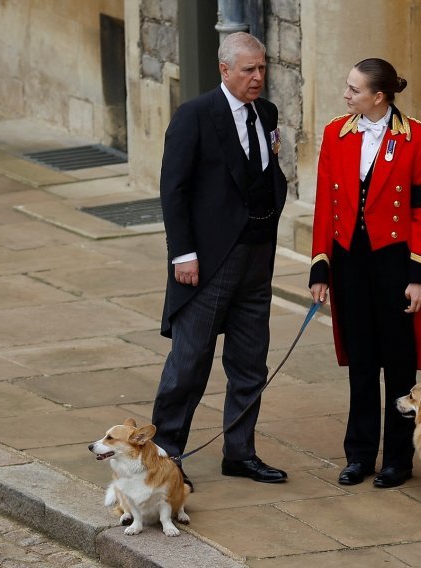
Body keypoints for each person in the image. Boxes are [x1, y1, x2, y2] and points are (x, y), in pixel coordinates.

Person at [152, 32, 289, 486]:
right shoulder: (194, 115)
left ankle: (240, 452)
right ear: (224, 70)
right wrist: (183, 255)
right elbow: (174, 190)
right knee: (189, 363)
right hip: (207, 262)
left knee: (251, 363)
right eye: (248, 69)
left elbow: (270, 175)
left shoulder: (265, 113)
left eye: (262, 68)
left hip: (256, 257)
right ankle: (165, 457)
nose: (257, 77)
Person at [309, 58, 421, 488]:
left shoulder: (418, 138)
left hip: (395, 264)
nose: (346, 96)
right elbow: (324, 208)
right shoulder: (335, 133)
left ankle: (398, 459)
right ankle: (360, 454)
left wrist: (420, 275)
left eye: (354, 90)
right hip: (350, 263)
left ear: (378, 96)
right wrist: (320, 268)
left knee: (399, 365)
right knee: (361, 360)